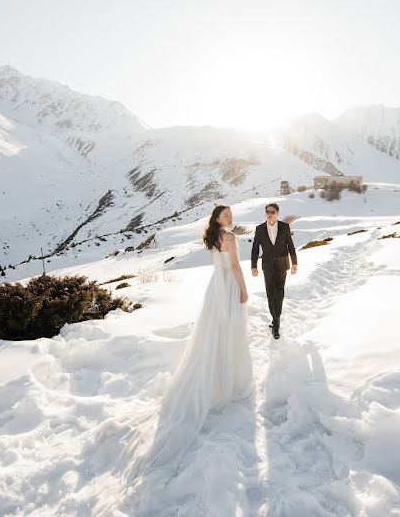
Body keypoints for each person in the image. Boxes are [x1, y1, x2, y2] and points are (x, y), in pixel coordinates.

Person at [117, 204, 254, 482]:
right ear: (216, 218)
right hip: (226, 285)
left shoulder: (213, 236)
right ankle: (227, 378)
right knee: (229, 329)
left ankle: (217, 372)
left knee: (213, 331)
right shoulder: (229, 237)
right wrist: (244, 289)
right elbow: (237, 266)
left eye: (230, 214)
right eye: (225, 215)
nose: (230, 217)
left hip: (215, 285)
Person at [250, 202, 297, 339]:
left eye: (272, 212)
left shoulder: (284, 227)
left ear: (277, 214)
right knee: (270, 294)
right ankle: (276, 319)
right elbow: (255, 249)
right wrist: (253, 266)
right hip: (268, 266)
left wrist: (294, 263)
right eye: (268, 212)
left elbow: (291, 246)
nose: (270, 214)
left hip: (282, 264)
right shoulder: (259, 229)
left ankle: (276, 325)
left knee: (280, 293)